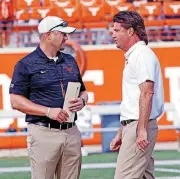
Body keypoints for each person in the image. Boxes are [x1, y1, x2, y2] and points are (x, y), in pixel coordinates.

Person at [9, 16, 88, 179]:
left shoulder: (70, 60)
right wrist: (47, 111)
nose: (66, 38)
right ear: (48, 35)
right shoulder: (25, 64)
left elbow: (83, 91)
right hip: (43, 133)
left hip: (71, 132)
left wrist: (82, 101)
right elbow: (15, 101)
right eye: (63, 34)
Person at [110, 11, 164, 179]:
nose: (112, 35)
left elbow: (147, 93)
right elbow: (133, 100)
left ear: (130, 31)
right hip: (134, 125)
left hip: (139, 126)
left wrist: (141, 130)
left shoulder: (142, 55)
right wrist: (121, 132)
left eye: (116, 30)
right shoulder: (136, 56)